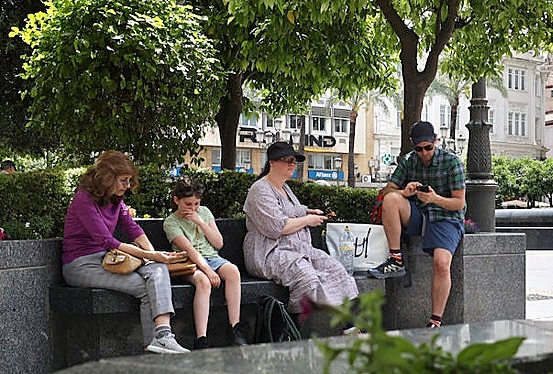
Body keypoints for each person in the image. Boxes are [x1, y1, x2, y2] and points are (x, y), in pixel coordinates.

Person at [62, 150, 190, 354]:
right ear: (106, 177)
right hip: (80, 264)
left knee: (157, 269)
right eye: (123, 180)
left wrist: (155, 256)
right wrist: (152, 255)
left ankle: (163, 336)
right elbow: (107, 240)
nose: (128, 186)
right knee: (145, 286)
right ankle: (155, 348)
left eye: (129, 180)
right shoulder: (83, 199)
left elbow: (133, 229)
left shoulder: (115, 200)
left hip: (107, 259)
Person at [369, 120, 466, 329]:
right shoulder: (408, 160)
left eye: (428, 147)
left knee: (441, 263)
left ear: (436, 141)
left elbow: (459, 204)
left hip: (445, 217)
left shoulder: (452, 162)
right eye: (419, 148)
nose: (423, 153)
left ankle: (435, 321)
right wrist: (403, 192)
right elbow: (387, 191)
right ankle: (396, 258)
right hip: (418, 214)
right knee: (391, 199)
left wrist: (435, 199)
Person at [243, 141, 358, 314]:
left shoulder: (285, 187)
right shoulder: (260, 190)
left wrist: (309, 211)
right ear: (272, 162)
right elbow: (277, 226)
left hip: (299, 249)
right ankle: (293, 330)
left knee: (336, 269)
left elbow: (292, 210)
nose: (292, 164)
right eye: (287, 160)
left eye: (294, 160)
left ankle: (349, 328)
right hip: (270, 252)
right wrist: (307, 220)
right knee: (307, 278)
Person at [164, 177, 248, 349]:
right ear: (176, 200)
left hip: (212, 257)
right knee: (203, 282)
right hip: (188, 261)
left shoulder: (204, 213)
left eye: (196, 204)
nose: (193, 208)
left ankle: (235, 329)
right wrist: (208, 271)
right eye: (188, 204)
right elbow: (190, 251)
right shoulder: (171, 222)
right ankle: (201, 339)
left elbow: (218, 243)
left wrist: (200, 221)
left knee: (233, 271)